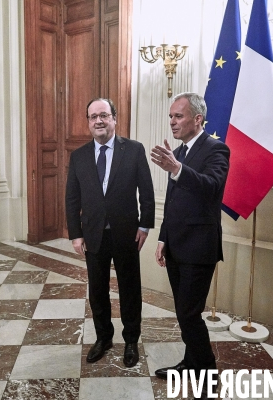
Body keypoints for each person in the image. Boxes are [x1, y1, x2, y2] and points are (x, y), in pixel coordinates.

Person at [65, 98, 155, 368]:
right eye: (93, 117)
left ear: (115, 118)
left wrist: (145, 225)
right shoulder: (78, 156)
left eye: (104, 115)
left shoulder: (134, 150)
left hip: (127, 233)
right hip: (93, 235)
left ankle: (130, 340)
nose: (99, 121)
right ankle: (104, 338)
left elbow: (147, 192)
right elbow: (72, 198)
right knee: (98, 291)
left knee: (129, 288)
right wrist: (75, 234)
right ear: (89, 122)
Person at [150, 92, 229, 394]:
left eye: (178, 116)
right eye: (170, 116)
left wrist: (176, 170)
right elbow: (173, 201)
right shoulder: (180, 153)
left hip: (200, 248)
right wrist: (162, 238)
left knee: (187, 313)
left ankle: (206, 371)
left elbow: (212, 187)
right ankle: (190, 363)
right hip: (176, 246)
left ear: (198, 119)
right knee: (185, 311)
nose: (172, 121)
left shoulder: (217, 149)